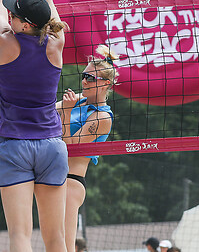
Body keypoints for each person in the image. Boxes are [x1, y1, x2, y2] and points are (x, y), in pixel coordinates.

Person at [0, 0, 69, 252]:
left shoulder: (4, 41)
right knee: (56, 238)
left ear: (21, 23)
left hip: (15, 146)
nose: (9, 14)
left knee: (20, 237)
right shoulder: (56, 43)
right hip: (52, 145)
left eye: (14, 14)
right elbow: (48, 4)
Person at [56, 45, 118, 252]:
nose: (84, 81)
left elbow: (69, 147)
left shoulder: (102, 117)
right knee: (52, 244)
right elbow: (41, 112)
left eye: (91, 78)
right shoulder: (77, 102)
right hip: (50, 178)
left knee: (65, 246)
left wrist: (65, 113)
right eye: (84, 76)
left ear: (105, 84)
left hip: (71, 182)